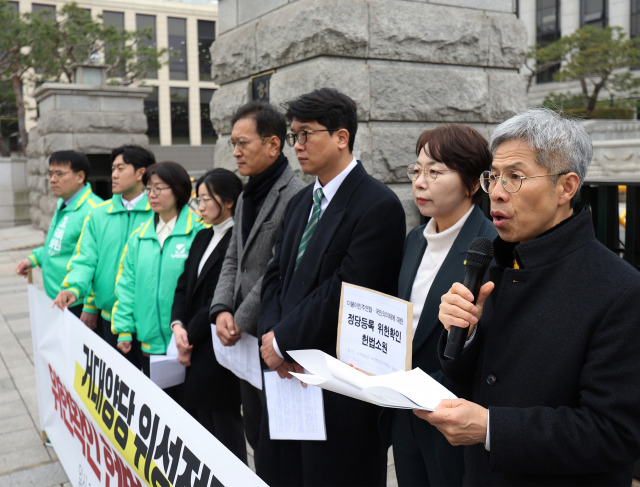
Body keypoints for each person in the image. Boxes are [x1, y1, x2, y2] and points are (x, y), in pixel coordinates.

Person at [416, 107, 640, 486]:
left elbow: (614, 432)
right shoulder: (494, 265)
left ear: (566, 187)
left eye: (515, 177)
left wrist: (492, 429)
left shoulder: (620, 290)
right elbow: (476, 378)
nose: (497, 193)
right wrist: (463, 334)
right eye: (494, 177)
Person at [257, 88, 406, 486]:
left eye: (306, 134)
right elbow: (274, 276)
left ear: (342, 137)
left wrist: (284, 339)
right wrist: (272, 339)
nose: (298, 146)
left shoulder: (378, 205)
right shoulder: (302, 200)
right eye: (294, 136)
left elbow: (348, 290)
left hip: (337, 385)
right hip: (287, 376)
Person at [389, 125, 497, 487]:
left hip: (454, 416)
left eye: (435, 172)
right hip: (405, 411)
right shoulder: (415, 239)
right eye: (416, 170)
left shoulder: (492, 247)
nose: (420, 182)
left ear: (471, 183)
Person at [209, 101, 305, 457]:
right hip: (242, 339)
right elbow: (234, 256)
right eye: (232, 143)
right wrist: (221, 308)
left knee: (280, 443)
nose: (235, 152)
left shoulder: (295, 195)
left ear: (273, 144)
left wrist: (239, 318)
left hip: (273, 337)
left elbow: (277, 268)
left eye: (242, 143)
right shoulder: (247, 192)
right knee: (254, 432)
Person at [53, 145, 155, 367]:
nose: (114, 175)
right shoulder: (98, 215)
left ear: (141, 173)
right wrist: (73, 288)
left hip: (152, 321)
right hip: (111, 320)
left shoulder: (158, 214)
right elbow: (85, 260)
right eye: (112, 168)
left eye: (121, 168)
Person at [169, 168, 247, 462]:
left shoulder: (237, 238)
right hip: (190, 341)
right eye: (197, 200)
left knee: (224, 428)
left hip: (216, 346)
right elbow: (183, 285)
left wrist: (188, 335)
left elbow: (220, 296)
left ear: (227, 201)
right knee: (199, 426)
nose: (199, 207)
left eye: (205, 199)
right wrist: (177, 325)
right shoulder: (202, 236)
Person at [112, 161, 206, 376]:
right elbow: (127, 285)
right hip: (149, 344)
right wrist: (124, 329)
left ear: (179, 190)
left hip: (187, 343)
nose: (151, 195)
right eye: (148, 189)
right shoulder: (139, 237)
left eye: (159, 188)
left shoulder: (199, 232)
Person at [15, 150, 103, 317]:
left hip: (77, 301)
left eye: (59, 174)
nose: (53, 179)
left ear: (80, 176)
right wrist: (33, 259)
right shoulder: (63, 203)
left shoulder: (94, 210)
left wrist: (89, 307)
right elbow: (57, 244)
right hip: (60, 299)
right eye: (51, 174)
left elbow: (97, 263)